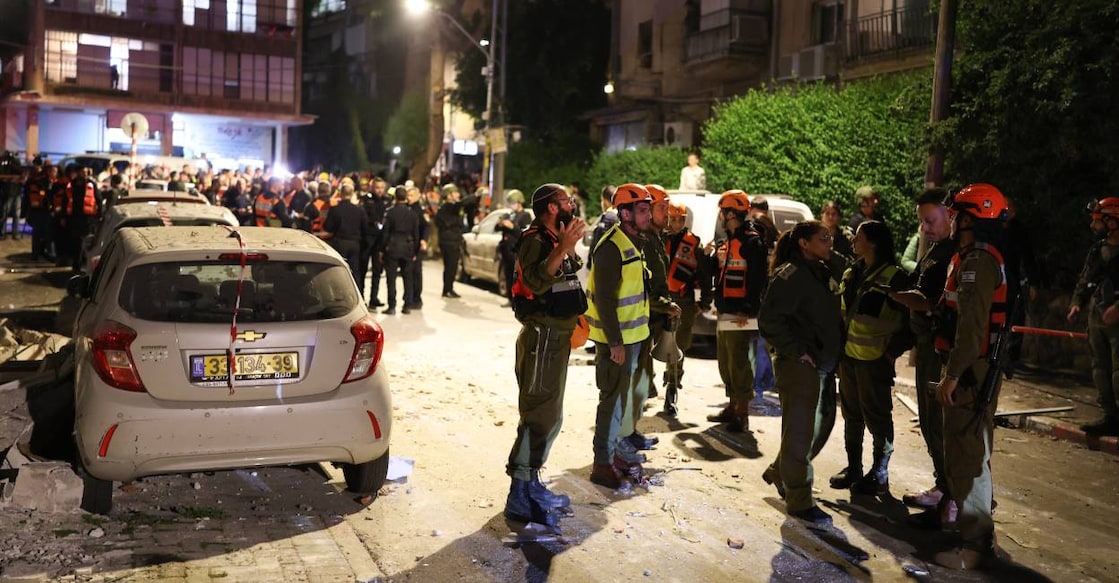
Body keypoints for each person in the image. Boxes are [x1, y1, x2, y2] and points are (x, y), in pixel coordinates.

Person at [931, 183, 1011, 569]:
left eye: (955, 213)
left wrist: (951, 375)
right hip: (973, 371)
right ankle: (980, 537)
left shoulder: (978, 261)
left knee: (968, 455)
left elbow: (972, 330)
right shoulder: (971, 257)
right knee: (973, 452)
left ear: (969, 219)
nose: (949, 219)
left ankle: (974, 548)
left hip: (970, 374)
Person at [503, 183, 587, 530]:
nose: (571, 205)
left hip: (557, 340)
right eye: (565, 201)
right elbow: (536, 282)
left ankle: (533, 484)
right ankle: (518, 494)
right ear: (551, 208)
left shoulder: (555, 239)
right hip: (541, 340)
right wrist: (564, 247)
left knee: (551, 416)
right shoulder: (534, 240)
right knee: (538, 414)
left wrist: (568, 246)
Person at [758, 221, 843, 526]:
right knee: (799, 433)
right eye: (823, 239)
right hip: (799, 365)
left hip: (821, 363)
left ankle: (781, 470)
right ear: (804, 243)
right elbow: (768, 320)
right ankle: (799, 498)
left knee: (819, 427)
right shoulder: (791, 275)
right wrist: (796, 350)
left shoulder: (819, 271)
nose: (829, 243)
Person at [889, 188, 958, 526]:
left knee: (943, 425)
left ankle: (954, 497)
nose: (925, 229)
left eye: (930, 221)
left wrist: (901, 297)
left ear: (951, 215)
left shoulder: (958, 255)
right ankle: (944, 487)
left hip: (941, 348)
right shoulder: (937, 251)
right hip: (926, 344)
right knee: (930, 422)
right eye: (922, 222)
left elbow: (934, 301)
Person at [830, 220, 912, 496]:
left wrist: (891, 353)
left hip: (875, 360)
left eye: (859, 237)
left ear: (874, 242)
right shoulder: (853, 272)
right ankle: (854, 468)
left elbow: (910, 322)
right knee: (852, 415)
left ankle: (879, 473)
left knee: (878, 418)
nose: (854, 240)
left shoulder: (895, 276)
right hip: (850, 358)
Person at [586, 183, 653, 489]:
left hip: (632, 336)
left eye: (648, 209)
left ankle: (612, 454)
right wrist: (615, 343)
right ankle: (602, 463)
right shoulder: (613, 246)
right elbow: (605, 299)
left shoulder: (633, 241)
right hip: (618, 341)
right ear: (624, 213)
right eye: (642, 210)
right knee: (611, 402)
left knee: (620, 401)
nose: (647, 215)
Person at [706, 190, 768, 432]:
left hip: (740, 313)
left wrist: (747, 309)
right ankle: (733, 406)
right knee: (726, 361)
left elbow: (757, 279)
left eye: (723, 212)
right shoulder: (730, 240)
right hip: (726, 309)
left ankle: (741, 413)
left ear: (730, 214)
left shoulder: (752, 242)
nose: (720, 216)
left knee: (738, 362)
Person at [1068, 196, 1119, 437]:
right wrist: (1077, 303)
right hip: (1097, 315)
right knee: (1100, 368)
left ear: (1112, 222)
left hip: (1115, 318)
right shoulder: (1098, 249)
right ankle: (1110, 416)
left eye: (1098, 220)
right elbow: (1085, 278)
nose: (1093, 226)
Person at [633, 184, 680, 429]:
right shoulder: (642, 242)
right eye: (663, 207)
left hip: (657, 313)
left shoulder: (656, 239)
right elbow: (640, 288)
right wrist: (664, 304)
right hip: (643, 316)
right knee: (638, 377)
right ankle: (627, 434)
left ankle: (670, 393)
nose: (668, 213)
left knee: (670, 358)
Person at [661, 201, 713, 416]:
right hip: (658, 302)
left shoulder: (694, 245)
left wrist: (704, 303)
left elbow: (704, 275)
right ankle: (645, 386)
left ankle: (672, 391)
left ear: (684, 221)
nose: (674, 223)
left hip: (683, 303)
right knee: (648, 346)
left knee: (677, 350)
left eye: (678, 219)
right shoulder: (656, 240)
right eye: (671, 218)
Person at [380, 186, 420, 315]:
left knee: (391, 279)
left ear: (395, 197)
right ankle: (407, 305)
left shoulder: (390, 213)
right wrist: (415, 251)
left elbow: (385, 233)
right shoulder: (412, 214)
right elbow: (416, 234)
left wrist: (382, 249)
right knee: (407, 278)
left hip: (393, 247)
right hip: (408, 248)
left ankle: (392, 306)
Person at [317, 182, 367, 284]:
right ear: (352, 194)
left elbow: (328, 227)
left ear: (340, 194)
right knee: (355, 271)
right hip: (355, 243)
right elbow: (365, 228)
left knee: (339, 270)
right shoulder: (359, 211)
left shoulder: (335, 210)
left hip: (340, 242)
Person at [434, 183, 474, 298]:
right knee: (451, 266)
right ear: (449, 195)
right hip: (449, 241)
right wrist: (473, 195)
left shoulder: (449, 207)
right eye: (455, 192)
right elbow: (460, 205)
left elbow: (465, 208)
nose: (458, 194)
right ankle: (447, 290)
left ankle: (448, 288)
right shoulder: (447, 207)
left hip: (452, 240)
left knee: (451, 267)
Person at [496, 189, 532, 307]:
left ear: (519, 202)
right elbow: (497, 228)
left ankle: (518, 301)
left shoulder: (525, 216)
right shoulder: (509, 215)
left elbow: (524, 233)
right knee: (508, 275)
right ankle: (510, 299)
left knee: (517, 277)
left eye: (513, 203)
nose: (511, 205)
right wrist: (501, 223)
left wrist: (512, 226)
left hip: (517, 251)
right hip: (506, 249)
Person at [586, 185, 617, 271]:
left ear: (605, 201)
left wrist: (590, 264)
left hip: (606, 269)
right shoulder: (623, 215)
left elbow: (598, 243)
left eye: (601, 200)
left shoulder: (608, 217)